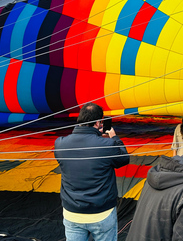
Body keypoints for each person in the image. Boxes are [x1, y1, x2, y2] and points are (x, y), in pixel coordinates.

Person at [54, 103, 130, 241]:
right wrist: (114, 138)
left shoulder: (60, 143)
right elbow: (124, 158)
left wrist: (94, 134)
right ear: (98, 122)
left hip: (72, 213)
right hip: (101, 213)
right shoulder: (107, 145)